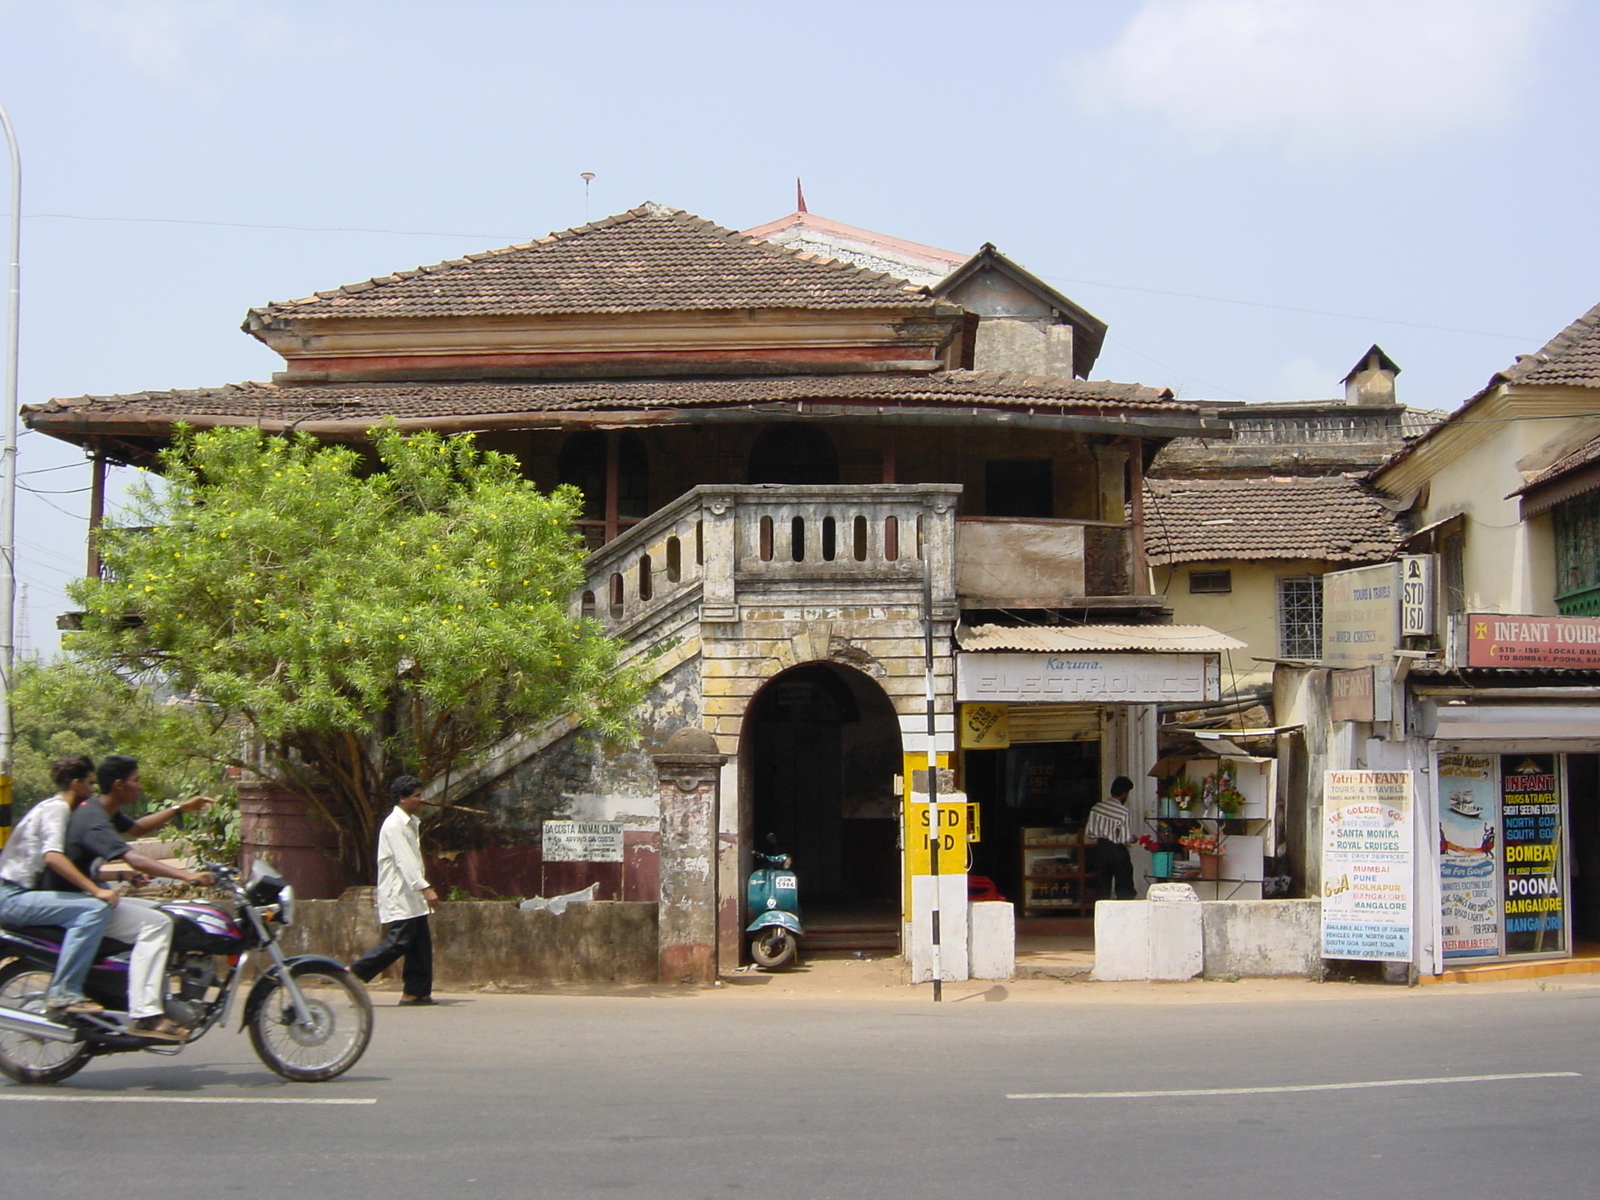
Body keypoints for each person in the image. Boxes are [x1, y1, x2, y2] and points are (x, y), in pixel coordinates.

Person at [41, 755, 216, 1040]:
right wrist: (188, 876)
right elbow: (134, 857)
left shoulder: (103, 808)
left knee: (166, 912)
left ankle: (155, 996)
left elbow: (138, 829)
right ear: (120, 785)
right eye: (136, 780)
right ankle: (146, 1014)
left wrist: (179, 808)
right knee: (156, 925)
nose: (141, 786)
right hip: (75, 903)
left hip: (85, 897)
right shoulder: (93, 819)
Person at [0, 755, 120, 1015]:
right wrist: (96, 891)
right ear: (76, 783)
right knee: (93, 909)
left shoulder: (56, 808)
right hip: (11, 897)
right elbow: (53, 856)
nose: (92, 790)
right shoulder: (57, 808)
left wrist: (119, 877)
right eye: (89, 783)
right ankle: (65, 992)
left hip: (16, 893)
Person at [349, 776, 439, 1005]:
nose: (421, 799)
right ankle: (354, 972)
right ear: (402, 798)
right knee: (399, 941)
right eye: (417, 795)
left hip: (410, 895)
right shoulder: (394, 825)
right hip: (400, 893)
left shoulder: (408, 823)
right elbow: (405, 861)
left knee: (420, 944)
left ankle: (415, 992)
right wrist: (425, 887)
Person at [1085, 775, 1138, 903]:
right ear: (1125, 793)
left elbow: (1089, 833)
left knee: (1102, 886)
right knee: (1124, 886)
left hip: (1101, 849)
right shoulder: (1123, 811)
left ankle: (1102, 916)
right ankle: (1124, 914)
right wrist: (1133, 839)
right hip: (1117, 850)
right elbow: (1125, 839)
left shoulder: (1096, 808)